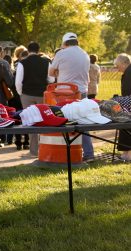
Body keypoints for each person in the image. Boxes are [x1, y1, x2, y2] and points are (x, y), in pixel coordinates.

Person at [49, 32, 93, 161]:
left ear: (64, 43)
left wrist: (60, 71)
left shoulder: (61, 53)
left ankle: (63, 153)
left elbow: (51, 73)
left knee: (63, 121)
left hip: (65, 93)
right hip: (82, 92)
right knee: (84, 122)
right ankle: (89, 154)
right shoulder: (85, 54)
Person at [16, 41, 54, 154]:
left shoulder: (22, 63)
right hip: (42, 94)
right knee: (43, 120)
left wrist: (21, 93)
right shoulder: (47, 62)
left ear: (28, 50)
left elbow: (18, 82)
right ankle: (45, 148)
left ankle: (33, 150)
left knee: (30, 121)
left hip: (26, 94)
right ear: (38, 50)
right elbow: (51, 79)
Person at [114, 53, 131, 161]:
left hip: (128, 105)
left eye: (118, 65)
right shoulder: (128, 71)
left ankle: (128, 155)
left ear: (124, 63)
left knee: (126, 127)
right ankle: (126, 153)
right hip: (128, 103)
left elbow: (128, 91)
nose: (117, 68)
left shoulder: (129, 72)